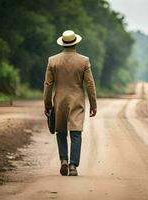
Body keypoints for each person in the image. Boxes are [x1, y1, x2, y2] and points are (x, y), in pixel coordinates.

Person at [43, 30, 97, 176]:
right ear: (76, 43)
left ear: (63, 43)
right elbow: (90, 84)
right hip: (77, 101)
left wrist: (47, 104)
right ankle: (73, 165)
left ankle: (63, 161)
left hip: (59, 101)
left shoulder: (52, 61)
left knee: (60, 132)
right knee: (76, 132)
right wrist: (93, 104)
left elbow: (48, 85)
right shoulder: (84, 61)